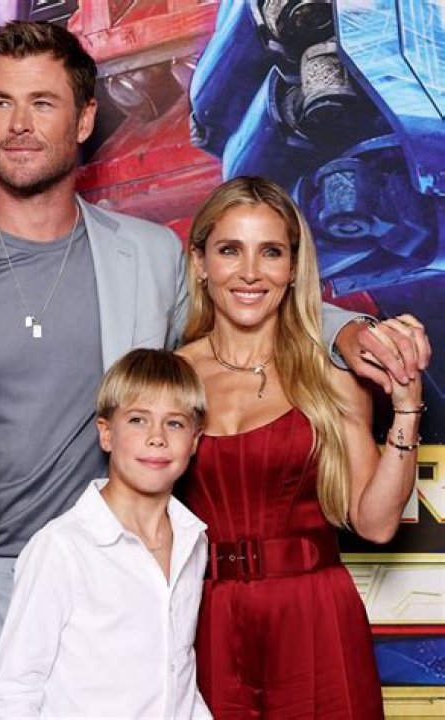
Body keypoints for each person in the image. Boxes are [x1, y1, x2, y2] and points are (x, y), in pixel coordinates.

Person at [0, 21, 426, 718]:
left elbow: (245, 312)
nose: (20, 124)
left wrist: (349, 333)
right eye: (2, 103)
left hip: (128, 598)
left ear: (83, 119)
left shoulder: (149, 258)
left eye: (43, 103)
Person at [177, 176, 429, 719]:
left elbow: (376, 523)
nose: (250, 272)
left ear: (293, 268)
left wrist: (407, 409)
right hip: (205, 620)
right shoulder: (171, 378)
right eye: (229, 250)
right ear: (199, 262)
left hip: (314, 613)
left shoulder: (331, 375)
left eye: (271, 252)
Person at [0, 348, 212, 719]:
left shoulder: (193, 541)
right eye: (138, 420)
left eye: (174, 423)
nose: (157, 437)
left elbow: (179, 676)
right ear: (106, 434)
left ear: (195, 441)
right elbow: (13, 693)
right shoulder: (61, 548)